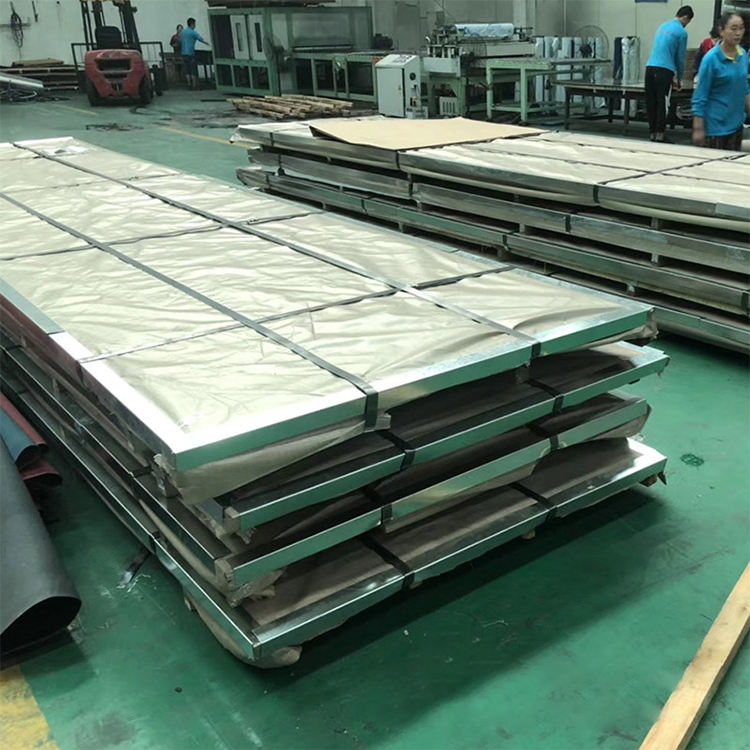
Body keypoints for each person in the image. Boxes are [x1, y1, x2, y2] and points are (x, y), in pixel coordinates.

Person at [692, 12, 750, 151]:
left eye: (741, 28)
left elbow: (744, 87)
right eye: (733, 29)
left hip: (736, 124)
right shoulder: (711, 59)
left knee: (733, 162)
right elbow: (700, 96)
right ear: (721, 30)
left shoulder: (742, 54)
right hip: (715, 127)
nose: (738, 33)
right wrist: (698, 128)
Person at [644, 5, 694, 142]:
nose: (686, 25)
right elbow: (680, 58)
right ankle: (660, 134)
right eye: (688, 22)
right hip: (664, 70)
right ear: (685, 18)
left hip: (650, 67)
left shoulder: (663, 26)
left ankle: (652, 133)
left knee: (651, 101)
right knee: (662, 102)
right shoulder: (682, 33)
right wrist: (679, 78)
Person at [181, 17, 209, 89]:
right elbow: (201, 39)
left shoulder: (183, 32)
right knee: (193, 69)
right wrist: (209, 44)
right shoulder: (193, 32)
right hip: (191, 53)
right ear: (192, 24)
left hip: (183, 53)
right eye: (194, 24)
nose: (195, 25)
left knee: (187, 70)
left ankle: (189, 84)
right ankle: (194, 85)